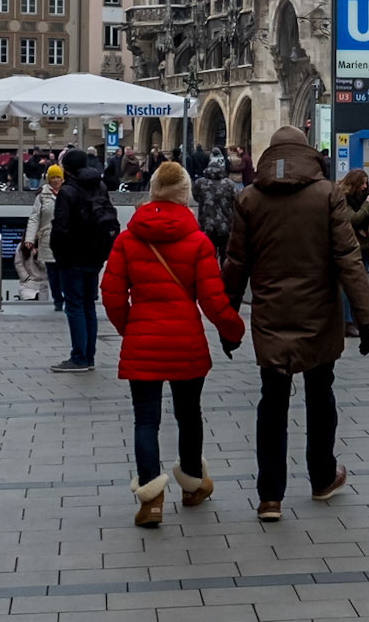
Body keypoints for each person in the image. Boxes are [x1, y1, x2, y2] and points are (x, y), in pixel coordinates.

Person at [221, 125, 369, 521]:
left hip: (271, 314)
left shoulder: (249, 198)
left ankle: (270, 497)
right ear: (307, 153)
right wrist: (365, 318)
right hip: (318, 313)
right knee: (320, 396)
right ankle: (322, 477)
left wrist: (227, 320)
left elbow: (236, 263)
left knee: (272, 402)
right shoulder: (327, 194)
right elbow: (347, 258)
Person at [101, 159, 245, 527]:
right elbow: (212, 299)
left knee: (146, 420)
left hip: (143, 342)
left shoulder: (127, 239)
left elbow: (111, 294)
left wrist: (131, 328)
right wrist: (233, 330)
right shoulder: (197, 241)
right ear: (184, 196)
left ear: (153, 192)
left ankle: (151, 500)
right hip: (186, 342)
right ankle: (193, 485)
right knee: (189, 414)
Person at [49, 147, 120, 371]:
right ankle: (89, 357)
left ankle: (79, 357)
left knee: (74, 306)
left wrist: (58, 254)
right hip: (96, 254)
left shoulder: (68, 191)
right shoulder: (100, 186)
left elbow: (60, 227)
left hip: (72, 257)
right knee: (89, 305)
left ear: (66, 168)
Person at [336, 169, 369, 337]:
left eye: (366, 183)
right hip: (350, 248)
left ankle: (357, 321)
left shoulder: (364, 197)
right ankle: (346, 322)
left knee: (360, 287)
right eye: (362, 183)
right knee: (348, 287)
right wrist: (368, 204)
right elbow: (354, 219)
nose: (364, 186)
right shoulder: (343, 198)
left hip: (364, 248)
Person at [23, 161, 64, 308]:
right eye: (52, 177)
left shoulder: (68, 193)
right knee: (52, 271)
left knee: (65, 270)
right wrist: (29, 238)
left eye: (58, 177)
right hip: (48, 238)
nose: (55, 180)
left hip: (66, 238)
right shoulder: (41, 196)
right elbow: (35, 218)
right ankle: (58, 299)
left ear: (62, 178)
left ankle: (67, 296)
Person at [193, 148, 236, 261]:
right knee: (225, 257)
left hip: (206, 225)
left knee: (207, 258)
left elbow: (196, 198)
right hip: (225, 226)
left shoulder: (199, 183)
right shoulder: (230, 184)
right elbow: (236, 201)